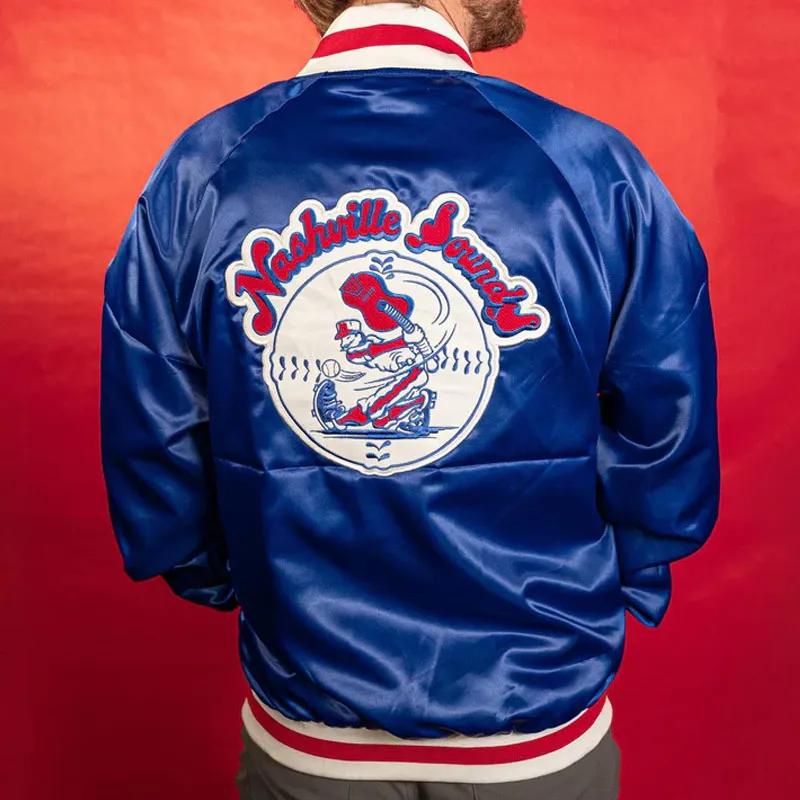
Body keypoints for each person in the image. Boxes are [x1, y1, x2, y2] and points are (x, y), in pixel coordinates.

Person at [100, 1, 720, 797]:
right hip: (537, 719)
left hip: (310, 724)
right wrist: (587, 596)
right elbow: (669, 439)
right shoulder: (591, 167)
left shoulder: (205, 167)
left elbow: (155, 448)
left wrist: (255, 588)